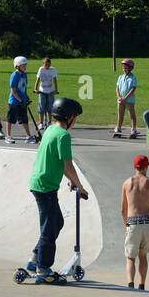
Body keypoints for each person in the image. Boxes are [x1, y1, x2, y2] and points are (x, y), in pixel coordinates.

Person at [26, 97, 89, 284]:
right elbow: (67, 164)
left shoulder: (50, 130)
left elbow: (58, 161)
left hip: (42, 184)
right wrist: (79, 185)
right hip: (45, 187)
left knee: (57, 222)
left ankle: (35, 258)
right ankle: (43, 270)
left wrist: (71, 180)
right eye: (75, 117)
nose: (75, 121)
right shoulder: (63, 135)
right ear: (69, 117)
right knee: (49, 228)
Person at [121, 154, 149, 290]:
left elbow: (123, 209)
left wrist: (126, 225)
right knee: (143, 256)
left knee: (130, 257)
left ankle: (130, 285)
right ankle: (142, 285)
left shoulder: (127, 183)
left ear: (135, 167)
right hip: (148, 223)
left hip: (132, 223)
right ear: (145, 167)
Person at [6, 56, 37, 144]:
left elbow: (24, 88)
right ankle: (8, 136)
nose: (25, 67)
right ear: (17, 66)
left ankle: (28, 136)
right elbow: (13, 91)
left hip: (22, 101)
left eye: (25, 65)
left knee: (24, 119)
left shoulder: (25, 74)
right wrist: (20, 100)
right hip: (14, 102)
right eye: (23, 66)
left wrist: (26, 98)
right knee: (10, 119)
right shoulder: (14, 75)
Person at [113, 58, 140, 139]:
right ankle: (118, 128)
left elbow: (133, 89)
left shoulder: (133, 78)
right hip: (120, 100)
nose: (124, 69)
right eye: (123, 68)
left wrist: (125, 97)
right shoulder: (120, 77)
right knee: (120, 115)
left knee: (132, 115)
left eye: (126, 68)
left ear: (131, 68)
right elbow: (117, 88)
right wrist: (119, 96)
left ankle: (133, 129)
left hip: (129, 100)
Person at [34, 57, 58, 130]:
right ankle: (41, 123)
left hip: (50, 91)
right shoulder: (41, 69)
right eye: (45, 65)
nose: (47, 66)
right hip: (42, 91)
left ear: (50, 64)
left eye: (48, 65)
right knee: (41, 107)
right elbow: (37, 80)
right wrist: (35, 89)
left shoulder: (52, 69)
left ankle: (49, 122)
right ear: (43, 64)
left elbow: (54, 80)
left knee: (50, 107)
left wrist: (56, 90)